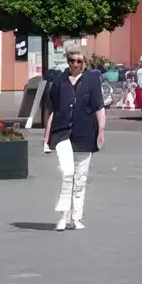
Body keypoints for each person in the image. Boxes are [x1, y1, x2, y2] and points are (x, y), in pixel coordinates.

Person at [42, 47, 104, 231]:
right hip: (62, 132)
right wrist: (46, 138)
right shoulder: (59, 81)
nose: (75, 65)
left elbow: (99, 108)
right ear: (67, 62)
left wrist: (101, 130)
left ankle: (75, 217)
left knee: (81, 178)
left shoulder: (92, 80)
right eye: (72, 61)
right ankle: (63, 215)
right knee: (68, 173)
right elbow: (52, 110)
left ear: (84, 63)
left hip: (85, 133)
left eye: (79, 61)